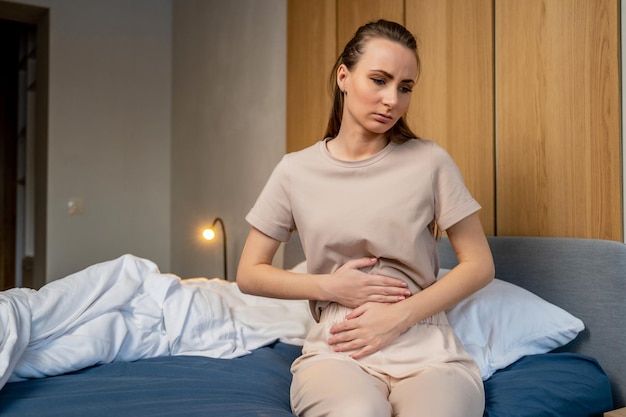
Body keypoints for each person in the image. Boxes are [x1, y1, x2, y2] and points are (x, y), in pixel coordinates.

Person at [237, 19, 494, 417]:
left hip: (426, 343)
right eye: (379, 80)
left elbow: (479, 265)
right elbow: (249, 273)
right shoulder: (295, 170)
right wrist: (330, 287)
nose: (392, 99)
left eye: (405, 87)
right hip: (339, 345)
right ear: (344, 76)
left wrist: (399, 316)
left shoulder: (430, 161)